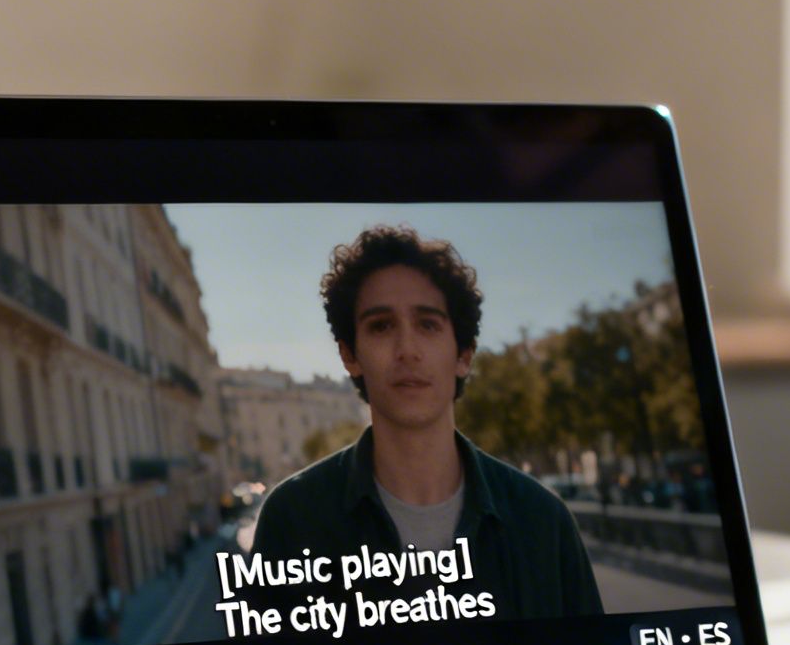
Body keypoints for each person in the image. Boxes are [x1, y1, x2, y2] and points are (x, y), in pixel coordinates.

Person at [250, 225, 603, 622]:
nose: (408, 350)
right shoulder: (293, 520)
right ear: (350, 355)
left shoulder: (543, 522)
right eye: (381, 326)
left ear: (463, 356)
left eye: (428, 324)